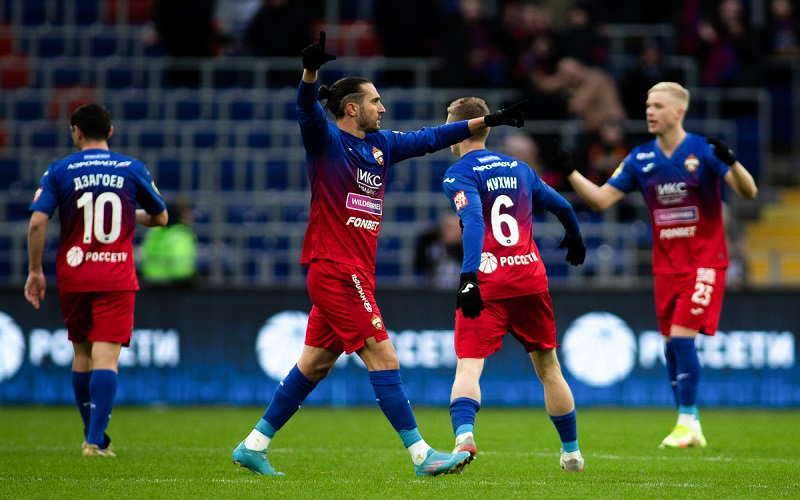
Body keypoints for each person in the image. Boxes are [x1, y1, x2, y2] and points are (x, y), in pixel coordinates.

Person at [231, 32, 528, 477]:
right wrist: (310, 73)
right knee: (385, 358)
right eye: (375, 101)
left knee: (315, 364)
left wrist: (488, 120)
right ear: (352, 109)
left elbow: (432, 137)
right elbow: (306, 110)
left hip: (354, 272)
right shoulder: (327, 142)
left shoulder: (382, 146)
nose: (382, 108)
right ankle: (422, 455)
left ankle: (253, 445)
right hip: (335, 269)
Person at [556, 82, 758, 448]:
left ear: (678, 112)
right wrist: (571, 172)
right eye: (648, 105)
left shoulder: (703, 150)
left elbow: (749, 191)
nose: (650, 111)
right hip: (665, 268)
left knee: (681, 339)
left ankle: (688, 421)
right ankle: (689, 425)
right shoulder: (640, 158)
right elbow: (601, 200)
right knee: (670, 347)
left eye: (658, 106)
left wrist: (732, 162)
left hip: (705, 262)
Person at [441, 96, 588, 473]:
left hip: (487, 283)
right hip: (528, 279)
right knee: (549, 368)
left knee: (468, 366)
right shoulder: (519, 169)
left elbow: (475, 221)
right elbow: (562, 205)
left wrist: (468, 276)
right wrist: (574, 236)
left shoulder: (458, 174)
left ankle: (464, 438)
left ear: (459, 128)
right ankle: (571, 453)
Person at [24, 103, 168, 457]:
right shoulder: (131, 168)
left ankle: (94, 436)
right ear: (111, 131)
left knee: (82, 353)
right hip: (115, 276)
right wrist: (129, 213)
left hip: (74, 275)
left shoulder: (59, 170)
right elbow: (161, 217)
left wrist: (35, 271)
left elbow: (38, 221)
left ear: (76, 132)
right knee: (107, 357)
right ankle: (94, 441)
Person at [140, 197, 198, 287]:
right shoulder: (181, 235)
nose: (190, 216)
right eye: (187, 213)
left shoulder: (153, 233)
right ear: (179, 215)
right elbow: (182, 270)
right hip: (178, 286)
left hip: (151, 284)